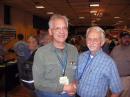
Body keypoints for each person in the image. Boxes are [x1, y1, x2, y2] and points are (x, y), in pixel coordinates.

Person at [32, 14, 78, 97]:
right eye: (57, 28)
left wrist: (74, 86)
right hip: (48, 94)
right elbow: (38, 83)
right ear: (50, 31)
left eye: (64, 28)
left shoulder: (73, 50)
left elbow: (76, 73)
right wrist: (63, 87)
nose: (62, 31)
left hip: (69, 94)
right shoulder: (41, 53)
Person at [76, 26, 123, 97]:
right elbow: (76, 77)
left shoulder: (109, 63)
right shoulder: (81, 56)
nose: (92, 42)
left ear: (102, 42)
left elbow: (117, 91)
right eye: (89, 39)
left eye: (95, 39)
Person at [111, 31, 130, 97]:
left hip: (127, 79)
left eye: (128, 38)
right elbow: (110, 61)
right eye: (125, 38)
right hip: (115, 78)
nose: (127, 39)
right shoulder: (115, 49)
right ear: (120, 39)